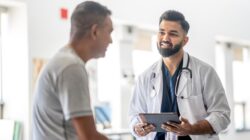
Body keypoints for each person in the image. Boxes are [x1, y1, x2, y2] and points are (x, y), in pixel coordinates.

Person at [129, 10, 230, 140]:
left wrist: (192, 129)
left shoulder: (204, 72)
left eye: (173, 34)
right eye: (162, 32)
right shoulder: (145, 77)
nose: (165, 38)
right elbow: (134, 116)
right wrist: (137, 127)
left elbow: (222, 115)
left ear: (185, 40)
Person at [32, 1, 113, 140]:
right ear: (95, 32)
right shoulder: (72, 67)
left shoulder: (63, 61)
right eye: (109, 32)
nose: (111, 40)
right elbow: (89, 137)